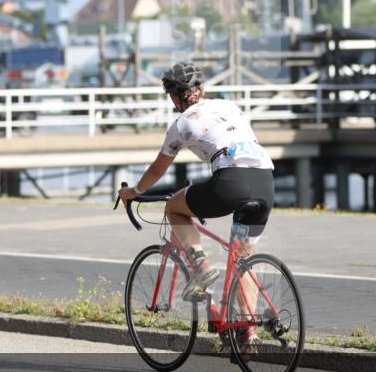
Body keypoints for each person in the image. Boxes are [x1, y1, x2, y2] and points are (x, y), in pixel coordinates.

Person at [118, 62, 275, 321]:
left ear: (175, 97)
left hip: (231, 182)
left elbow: (158, 169)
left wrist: (135, 191)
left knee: (174, 207)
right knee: (243, 259)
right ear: (201, 89)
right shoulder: (229, 106)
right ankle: (247, 332)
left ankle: (201, 266)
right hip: (265, 182)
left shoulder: (182, 123)